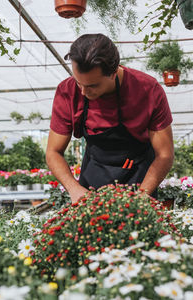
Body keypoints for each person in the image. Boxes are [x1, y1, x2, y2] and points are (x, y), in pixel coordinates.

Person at [46, 33, 174, 204]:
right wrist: (74, 188)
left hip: (139, 177)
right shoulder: (67, 91)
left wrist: (142, 197)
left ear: (113, 73)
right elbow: (53, 151)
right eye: (78, 82)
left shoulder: (148, 90)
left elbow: (165, 154)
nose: (83, 91)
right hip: (93, 177)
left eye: (92, 85)